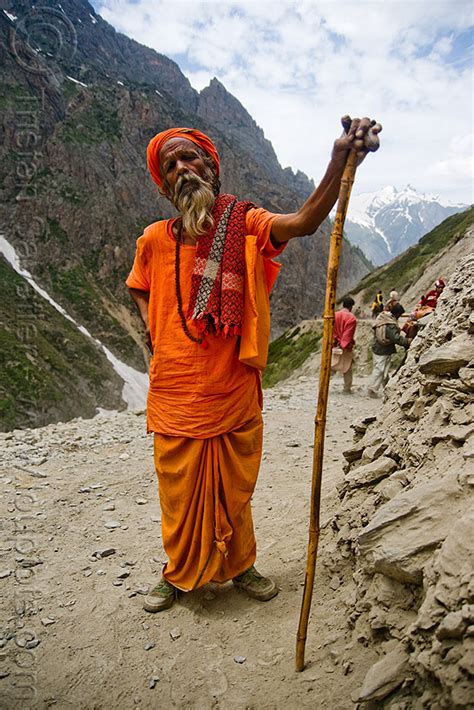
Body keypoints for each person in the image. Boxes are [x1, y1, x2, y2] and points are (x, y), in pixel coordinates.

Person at [126, 116, 382, 612]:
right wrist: (158, 334)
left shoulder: (244, 224)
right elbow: (139, 287)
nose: (182, 167)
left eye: (190, 157)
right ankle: (179, 574)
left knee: (233, 491)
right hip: (174, 394)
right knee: (178, 495)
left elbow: (304, 222)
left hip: (232, 389)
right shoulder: (153, 240)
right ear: (164, 182)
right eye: (171, 164)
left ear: (210, 165)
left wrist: (339, 160)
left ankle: (240, 564)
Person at [368, 303, 409, 397]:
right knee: (380, 369)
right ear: (397, 313)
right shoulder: (390, 324)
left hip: (377, 347)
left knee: (382, 368)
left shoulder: (384, 317)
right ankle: (372, 390)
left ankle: (387, 387)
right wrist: (407, 341)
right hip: (383, 350)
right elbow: (396, 338)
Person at [331, 296, 357, 393]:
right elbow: (347, 335)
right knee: (347, 367)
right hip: (345, 346)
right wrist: (344, 345)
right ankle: (347, 388)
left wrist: (334, 342)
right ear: (351, 307)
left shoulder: (335, 315)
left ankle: (323, 385)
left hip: (334, 344)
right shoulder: (352, 318)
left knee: (331, 365)